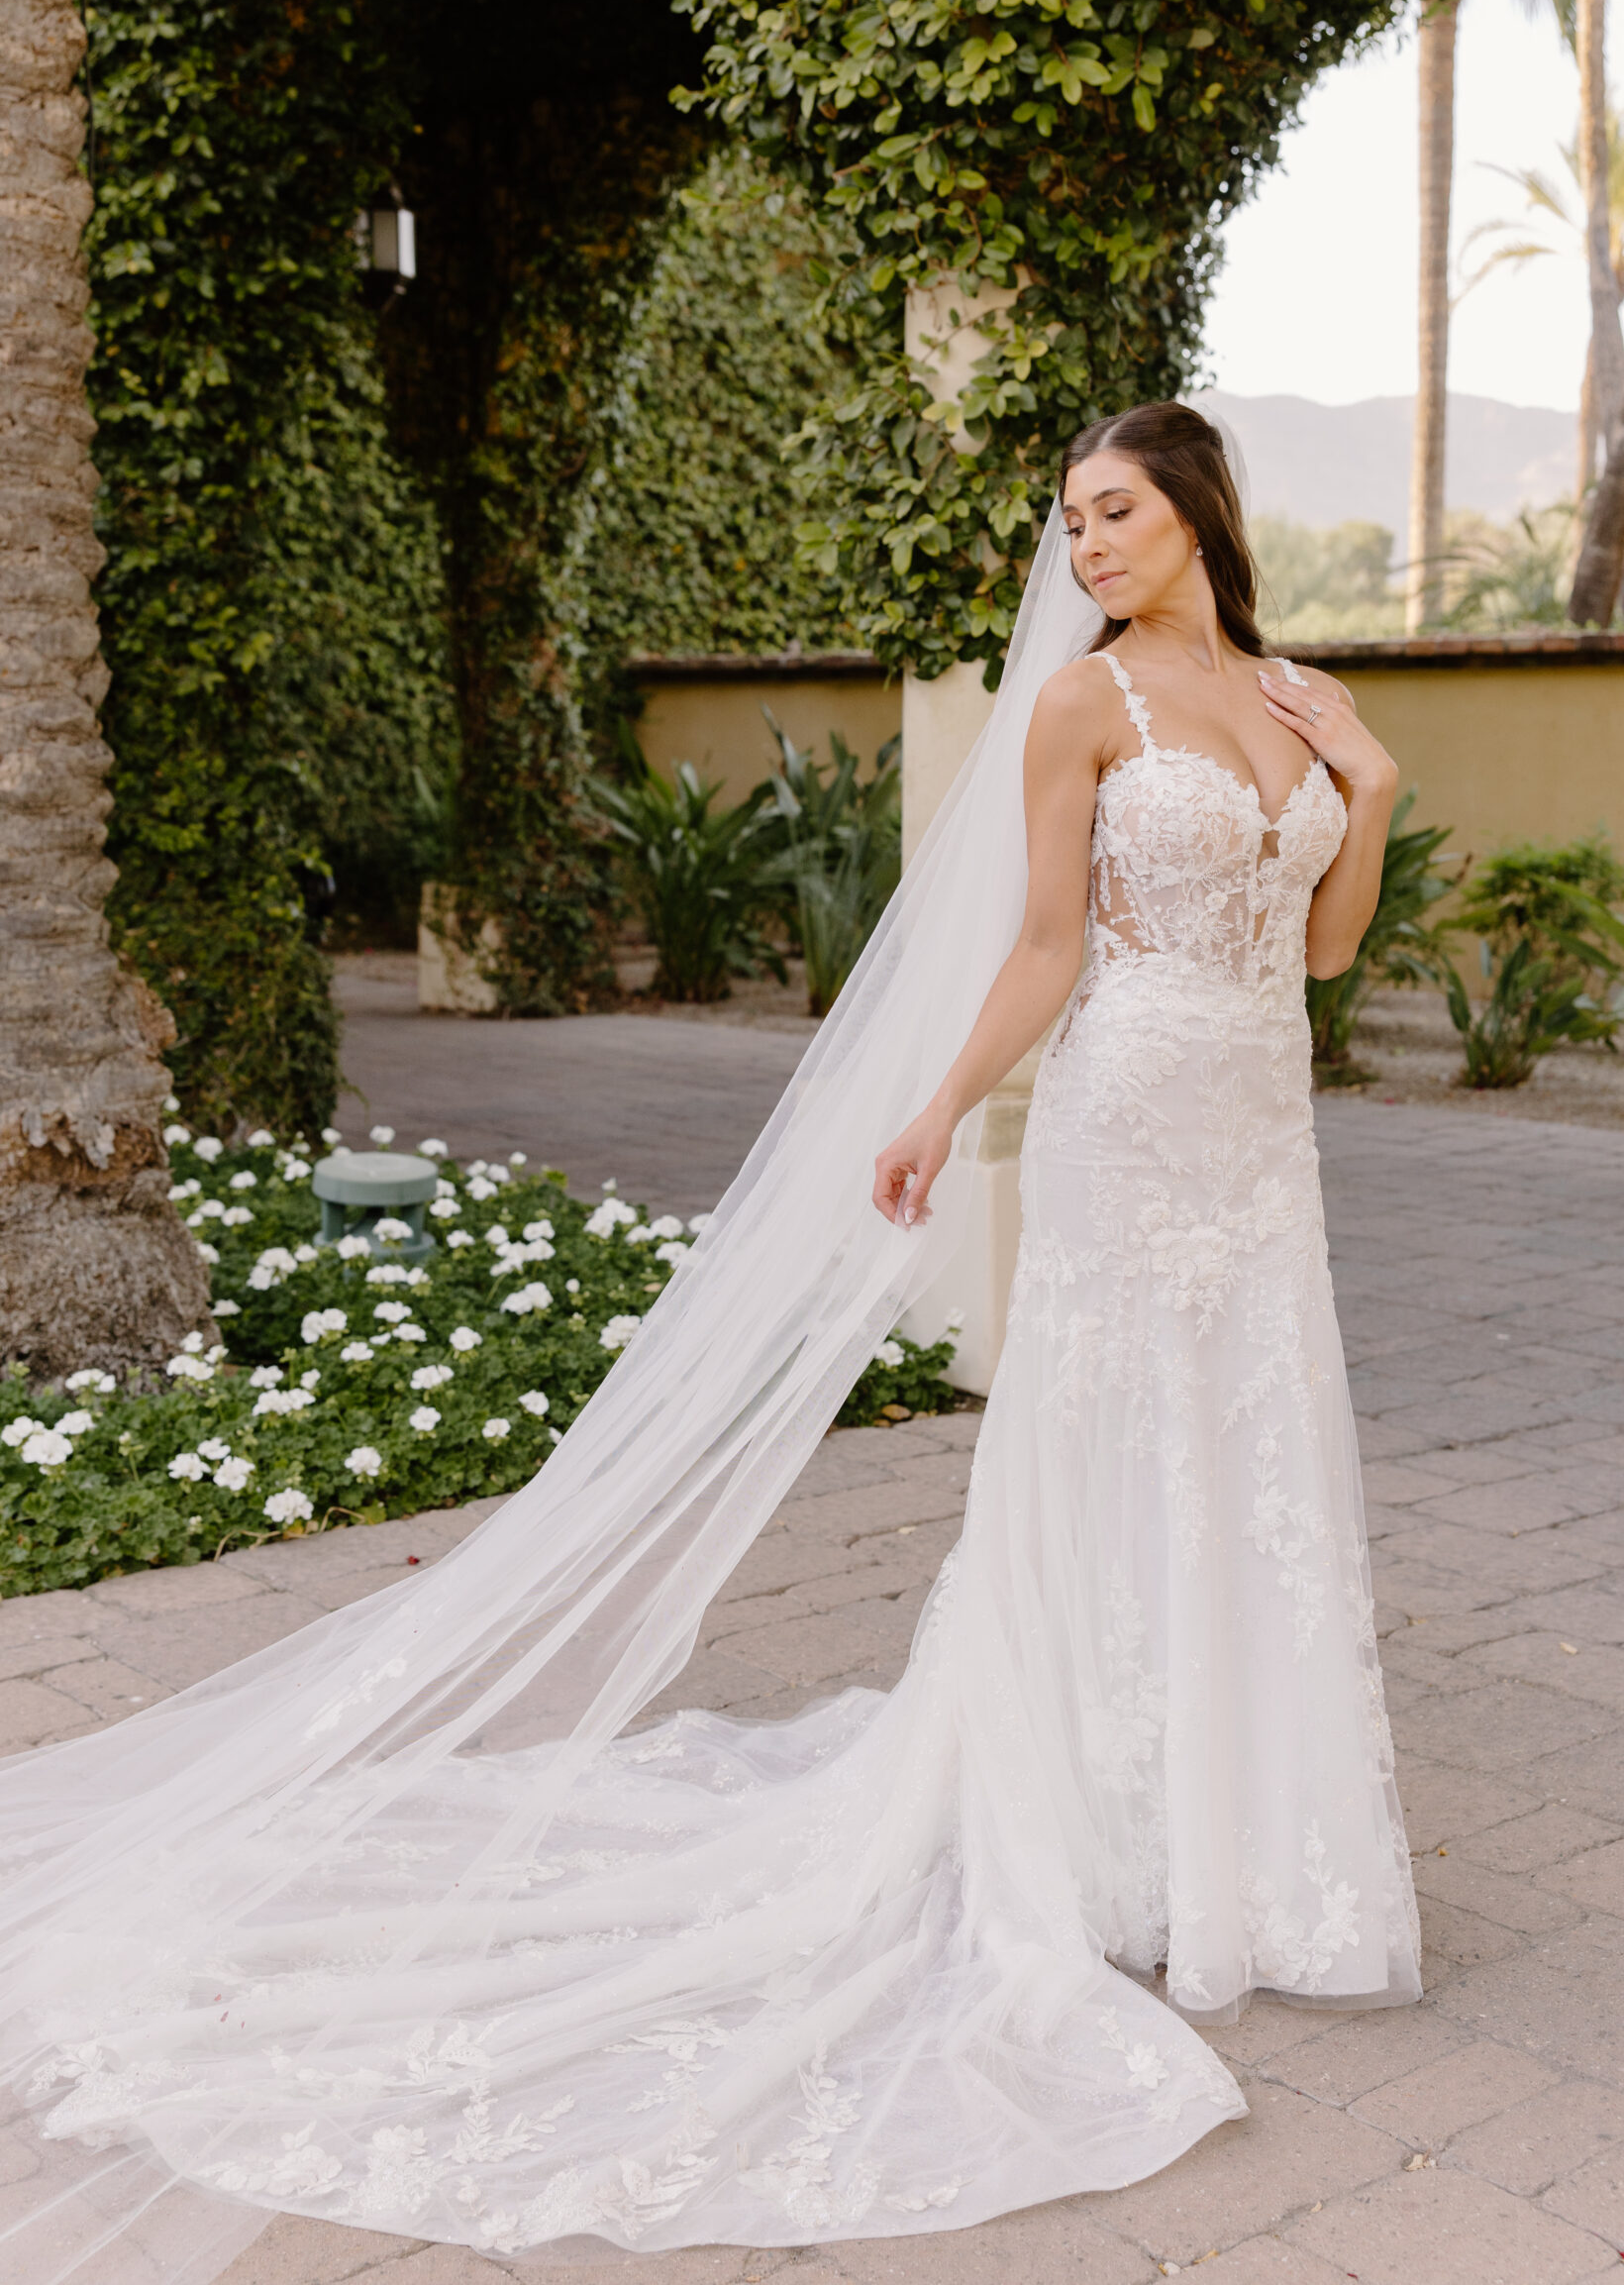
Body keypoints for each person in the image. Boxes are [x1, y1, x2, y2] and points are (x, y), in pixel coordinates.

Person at [0, 405, 1417, 2284]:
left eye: (1116, 513)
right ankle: (1098, 1829)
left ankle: (1246, 1840)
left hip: (1260, 1142)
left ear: (1198, 515)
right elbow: (1049, 947)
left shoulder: (1304, 697)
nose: (1086, 546)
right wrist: (929, 1113)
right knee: (1103, 1456)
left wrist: (1374, 793)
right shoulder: (1084, 706)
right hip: (1127, 1126)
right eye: (1069, 521)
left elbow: (1318, 962)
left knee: (1251, 1468)